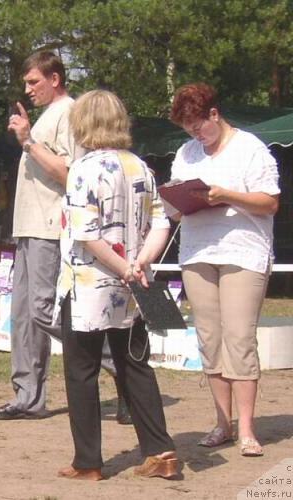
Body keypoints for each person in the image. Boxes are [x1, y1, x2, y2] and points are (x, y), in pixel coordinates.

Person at [0, 51, 131, 423]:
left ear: (55, 79)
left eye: (34, 81)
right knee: (24, 316)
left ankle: (124, 369)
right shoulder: (49, 115)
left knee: (43, 309)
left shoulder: (70, 112)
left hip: (51, 227)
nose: (28, 89)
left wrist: (28, 141)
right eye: (27, 83)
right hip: (29, 228)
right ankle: (28, 397)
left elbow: (71, 175)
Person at [55, 90, 179, 480]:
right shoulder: (140, 167)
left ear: (82, 124)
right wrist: (140, 262)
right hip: (138, 284)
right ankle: (161, 452)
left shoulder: (83, 169)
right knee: (136, 365)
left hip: (89, 284)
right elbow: (162, 222)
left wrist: (123, 266)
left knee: (82, 371)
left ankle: (87, 462)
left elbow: (86, 234)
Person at [168, 83, 279, 457]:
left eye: (198, 126)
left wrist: (226, 194)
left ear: (214, 114)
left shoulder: (250, 148)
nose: (195, 135)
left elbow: (269, 203)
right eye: (188, 129)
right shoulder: (186, 154)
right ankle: (222, 422)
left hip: (243, 253)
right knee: (209, 338)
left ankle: (248, 429)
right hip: (197, 252)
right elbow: (175, 207)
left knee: (239, 338)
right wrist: (177, 200)